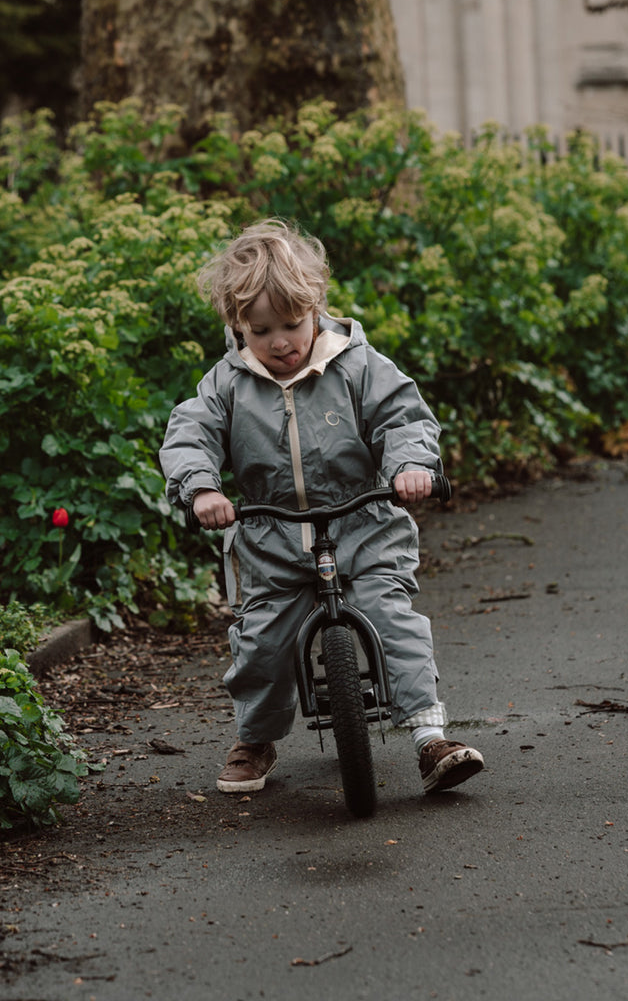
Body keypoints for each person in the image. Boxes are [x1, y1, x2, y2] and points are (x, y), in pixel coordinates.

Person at [159, 218, 484, 797]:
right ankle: (255, 737)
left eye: (291, 324)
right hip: (271, 532)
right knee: (262, 638)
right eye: (262, 330)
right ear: (237, 326)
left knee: (392, 618)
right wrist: (202, 488)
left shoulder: (357, 364)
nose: (280, 342)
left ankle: (430, 736)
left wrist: (410, 468)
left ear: (316, 307)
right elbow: (191, 434)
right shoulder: (227, 384)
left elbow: (402, 417)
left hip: (364, 523)